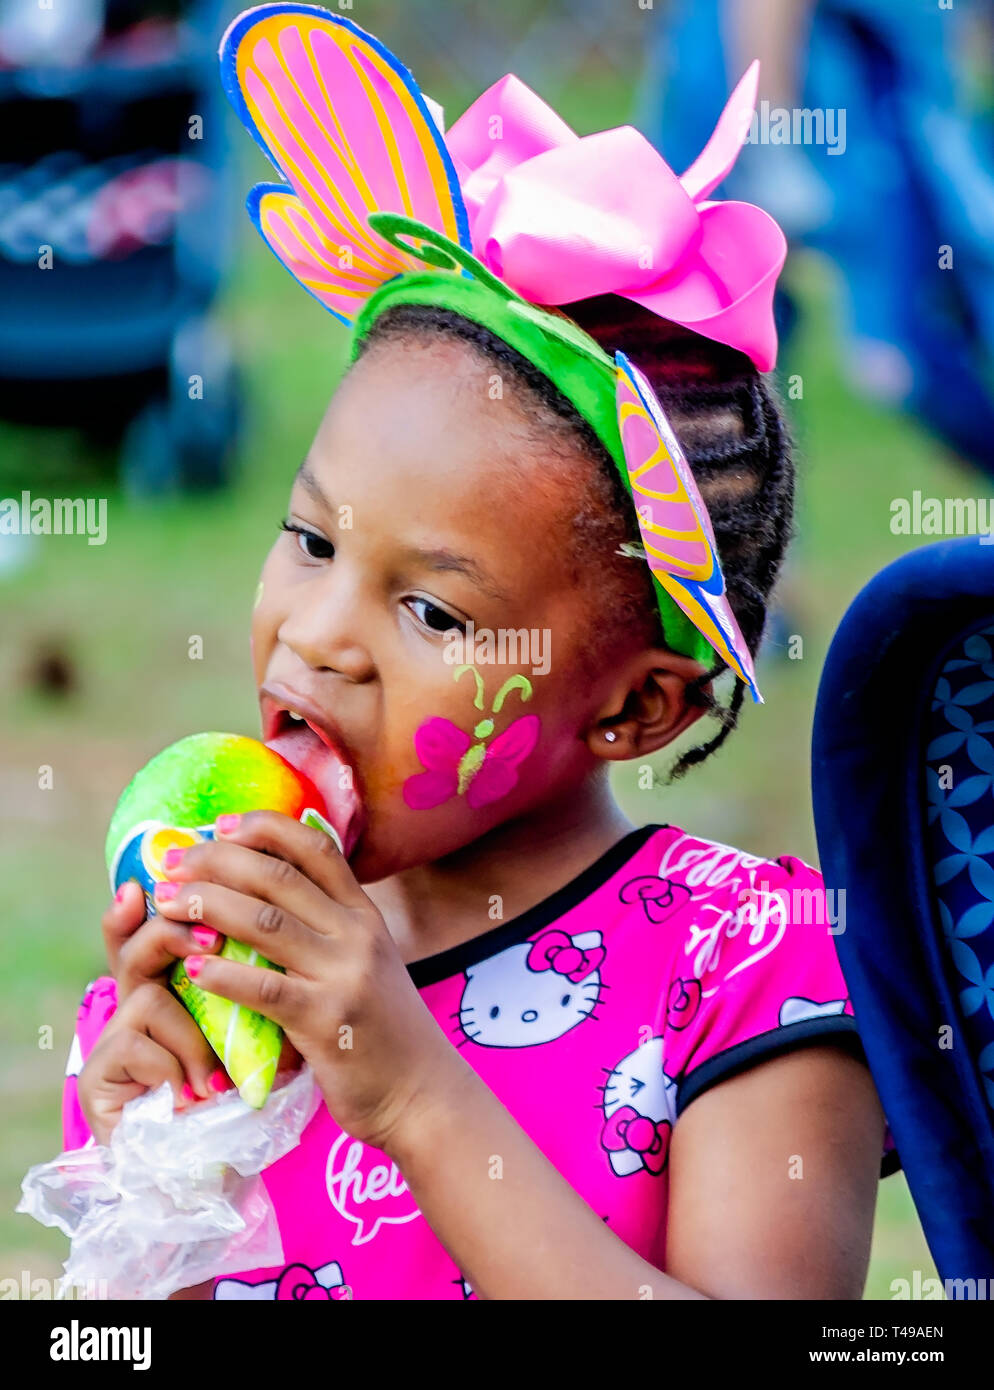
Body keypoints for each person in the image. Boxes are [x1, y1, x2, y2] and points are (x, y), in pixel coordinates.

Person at [63, 3, 896, 1300]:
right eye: (309, 539)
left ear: (634, 708)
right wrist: (162, 1177)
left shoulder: (745, 965)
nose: (321, 636)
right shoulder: (235, 977)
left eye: (434, 612)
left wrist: (410, 1090)